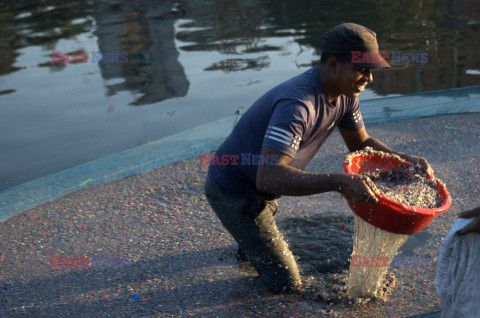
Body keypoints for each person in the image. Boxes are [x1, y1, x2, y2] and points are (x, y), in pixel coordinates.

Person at [204, 23, 432, 293]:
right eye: (361, 70)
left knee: (259, 242)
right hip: (235, 189)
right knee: (285, 283)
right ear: (334, 64)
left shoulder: (346, 95)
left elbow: (361, 144)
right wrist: (339, 183)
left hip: (263, 186)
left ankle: (251, 247)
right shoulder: (298, 105)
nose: (369, 79)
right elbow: (268, 177)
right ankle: (244, 293)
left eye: (371, 71)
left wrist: (404, 160)